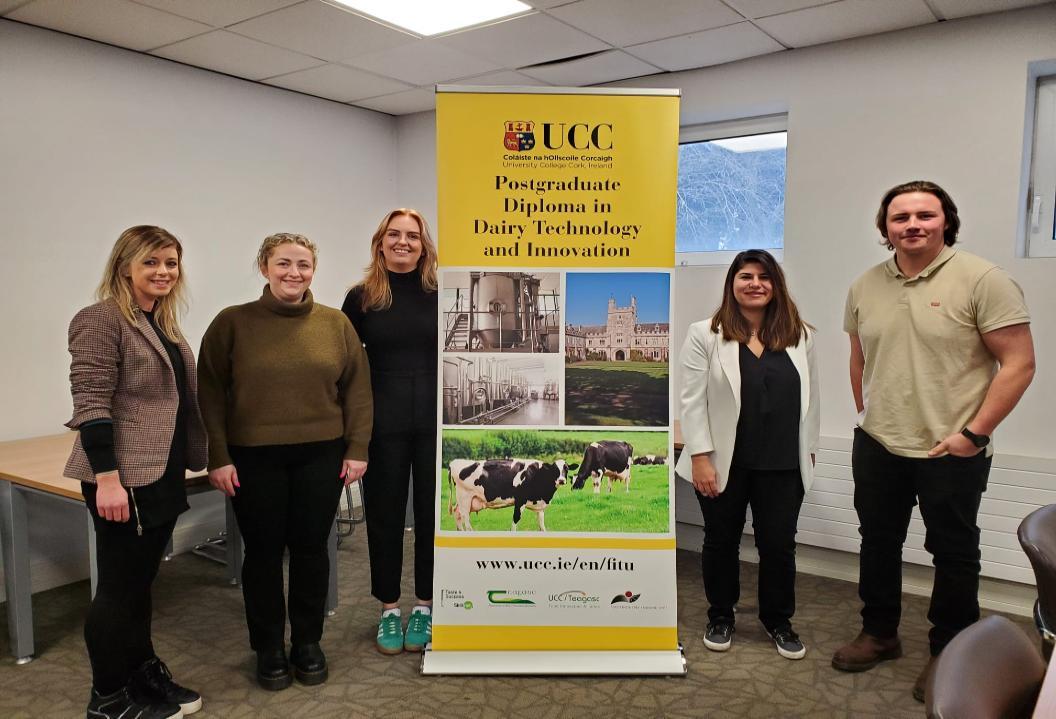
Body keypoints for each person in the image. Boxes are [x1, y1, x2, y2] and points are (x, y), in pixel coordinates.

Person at [833, 180, 1035, 701]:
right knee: (877, 543)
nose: (913, 225)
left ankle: (951, 651)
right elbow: (860, 357)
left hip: (952, 448)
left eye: (925, 214)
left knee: (953, 552)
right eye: (900, 218)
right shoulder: (864, 285)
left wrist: (974, 434)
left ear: (946, 220)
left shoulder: (983, 280)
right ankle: (879, 634)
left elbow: (1019, 364)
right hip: (878, 443)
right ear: (885, 229)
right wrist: (866, 412)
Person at [198, 233, 372, 690]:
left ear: (314, 270)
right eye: (283, 264)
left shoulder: (335, 325)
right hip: (253, 458)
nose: (294, 273)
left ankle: (309, 642)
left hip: (322, 454)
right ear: (264, 267)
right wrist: (218, 456)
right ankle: (269, 646)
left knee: (313, 551)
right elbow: (210, 394)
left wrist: (357, 449)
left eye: (304, 264)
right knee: (262, 554)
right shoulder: (232, 324)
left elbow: (357, 391)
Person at [65, 225, 206, 719]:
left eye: (171, 263)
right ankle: (107, 697)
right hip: (121, 477)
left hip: (160, 471)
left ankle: (142, 674)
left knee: (142, 583)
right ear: (125, 266)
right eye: (152, 262)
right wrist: (107, 478)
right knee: (119, 588)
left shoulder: (162, 322)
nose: (164, 272)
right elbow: (91, 403)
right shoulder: (100, 320)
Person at [675, 249, 820, 660]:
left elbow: (813, 401)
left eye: (764, 276)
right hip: (723, 463)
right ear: (732, 284)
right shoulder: (704, 333)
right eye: (746, 276)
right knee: (721, 542)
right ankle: (721, 615)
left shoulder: (800, 335)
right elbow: (692, 401)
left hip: (783, 465)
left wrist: (809, 451)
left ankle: (778, 621)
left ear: (775, 285)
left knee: (779, 546)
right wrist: (700, 455)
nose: (755, 283)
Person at [341, 209, 438, 655]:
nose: (404, 242)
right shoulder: (360, 299)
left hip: (437, 423)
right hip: (383, 424)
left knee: (432, 515)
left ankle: (425, 604)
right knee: (384, 517)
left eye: (413, 236)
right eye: (395, 235)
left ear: (424, 244)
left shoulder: (442, 293)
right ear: (380, 242)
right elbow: (345, 369)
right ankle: (389, 608)